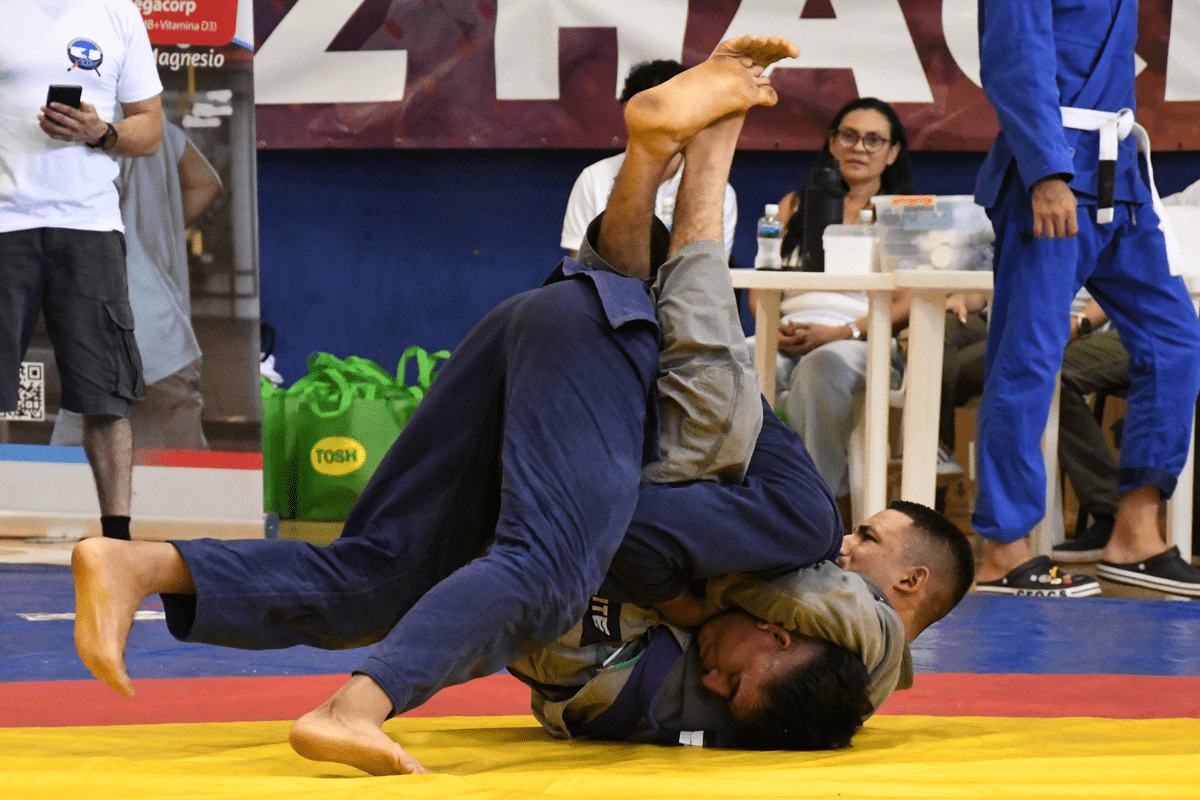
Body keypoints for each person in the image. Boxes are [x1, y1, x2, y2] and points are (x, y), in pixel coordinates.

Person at [71, 37, 972, 775]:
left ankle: (137, 566)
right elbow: (701, 340)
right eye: (866, 539)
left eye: (869, 542)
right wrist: (716, 151)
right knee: (550, 567)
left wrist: (714, 142)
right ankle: (356, 706)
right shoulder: (795, 534)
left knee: (378, 579)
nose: (850, 539)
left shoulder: (764, 557)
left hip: (546, 348)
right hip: (590, 351)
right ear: (784, 633)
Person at [972, 0, 1200, 597]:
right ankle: (1004, 548)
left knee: (1175, 341)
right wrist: (1046, 173)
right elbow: (1013, 56)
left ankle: (1136, 535)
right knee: (1028, 358)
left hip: (1119, 170)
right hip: (1054, 168)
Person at [755, 97, 986, 523]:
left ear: (893, 152)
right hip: (786, 332)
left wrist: (843, 332)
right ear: (832, 142)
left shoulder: (910, 214)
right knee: (726, 364)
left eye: (874, 140)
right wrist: (773, 328)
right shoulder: (793, 204)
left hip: (864, 338)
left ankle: (816, 513)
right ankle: (742, 507)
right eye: (849, 136)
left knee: (821, 368)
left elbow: (909, 300)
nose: (859, 147)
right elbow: (762, 280)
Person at [0, 0, 163, 540]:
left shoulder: (117, 13)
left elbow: (151, 130)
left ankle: (117, 542)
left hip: (89, 227)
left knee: (106, 397)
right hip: (3, 223)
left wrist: (102, 132)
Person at [52, 120, 223, 451]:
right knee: (184, 477)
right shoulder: (158, 127)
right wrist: (150, 233)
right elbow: (206, 183)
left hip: (108, 329)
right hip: (166, 338)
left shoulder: (94, 130)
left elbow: (88, 216)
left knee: (68, 476)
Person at [560, 60, 738, 261]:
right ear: (629, 112)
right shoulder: (594, 178)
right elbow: (582, 270)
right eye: (655, 108)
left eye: (678, 108)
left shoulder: (716, 191)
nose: (666, 120)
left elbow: (709, 272)